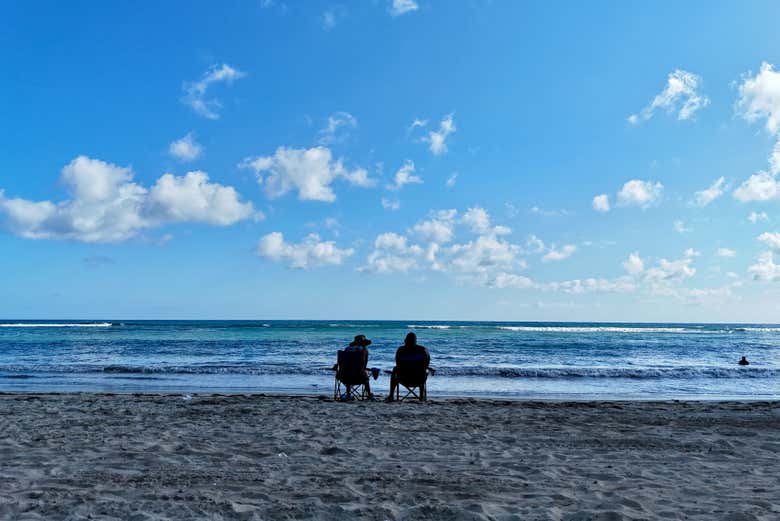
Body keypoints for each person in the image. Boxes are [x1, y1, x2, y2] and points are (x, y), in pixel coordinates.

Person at [387, 332, 431, 401]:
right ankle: (421, 396)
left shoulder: (401, 350)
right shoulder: (423, 350)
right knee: (423, 370)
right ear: (415, 341)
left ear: (406, 340)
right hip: (418, 379)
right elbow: (427, 363)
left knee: (395, 369)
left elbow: (398, 364)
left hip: (404, 378)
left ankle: (391, 395)